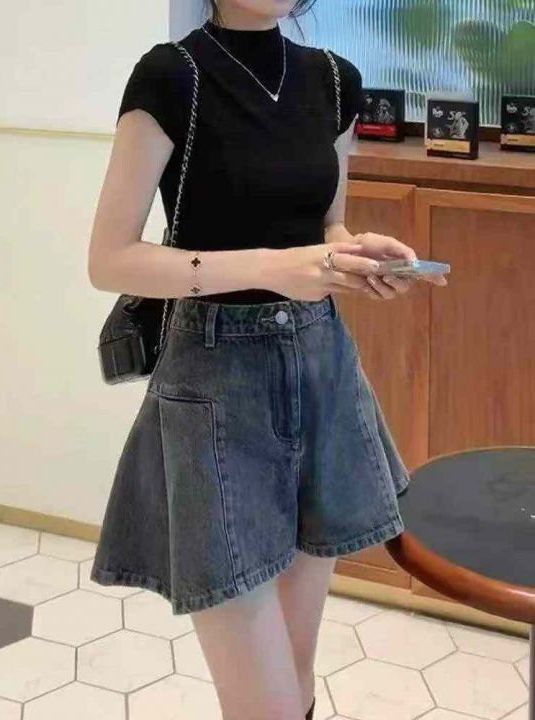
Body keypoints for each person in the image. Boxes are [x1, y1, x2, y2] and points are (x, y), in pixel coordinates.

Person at [87, 1, 448, 718]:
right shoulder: (172, 76)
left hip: (322, 369)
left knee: (298, 671)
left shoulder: (336, 80)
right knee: (266, 702)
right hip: (216, 384)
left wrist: (354, 255)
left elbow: (327, 223)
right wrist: (272, 267)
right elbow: (110, 259)